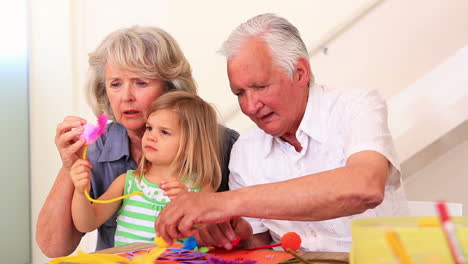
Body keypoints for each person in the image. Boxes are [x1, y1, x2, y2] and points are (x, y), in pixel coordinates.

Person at [155, 13, 408, 252]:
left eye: (260, 86)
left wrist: (224, 202)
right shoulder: (247, 148)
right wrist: (227, 231)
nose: (250, 106)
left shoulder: (358, 106)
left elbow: (365, 186)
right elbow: (256, 246)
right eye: (239, 93)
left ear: (300, 72)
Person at [36, 26, 239, 257]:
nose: (126, 97)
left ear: (171, 88)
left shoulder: (223, 143)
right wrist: (69, 165)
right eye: (115, 84)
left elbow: (245, 234)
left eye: (141, 82)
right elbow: (53, 247)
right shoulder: (98, 146)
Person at [70, 91, 252, 246]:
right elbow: (86, 224)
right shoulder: (128, 182)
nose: (150, 136)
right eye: (149, 128)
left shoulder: (200, 189)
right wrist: (80, 192)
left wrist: (188, 205)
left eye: (164, 132)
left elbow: (210, 239)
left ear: (191, 144)